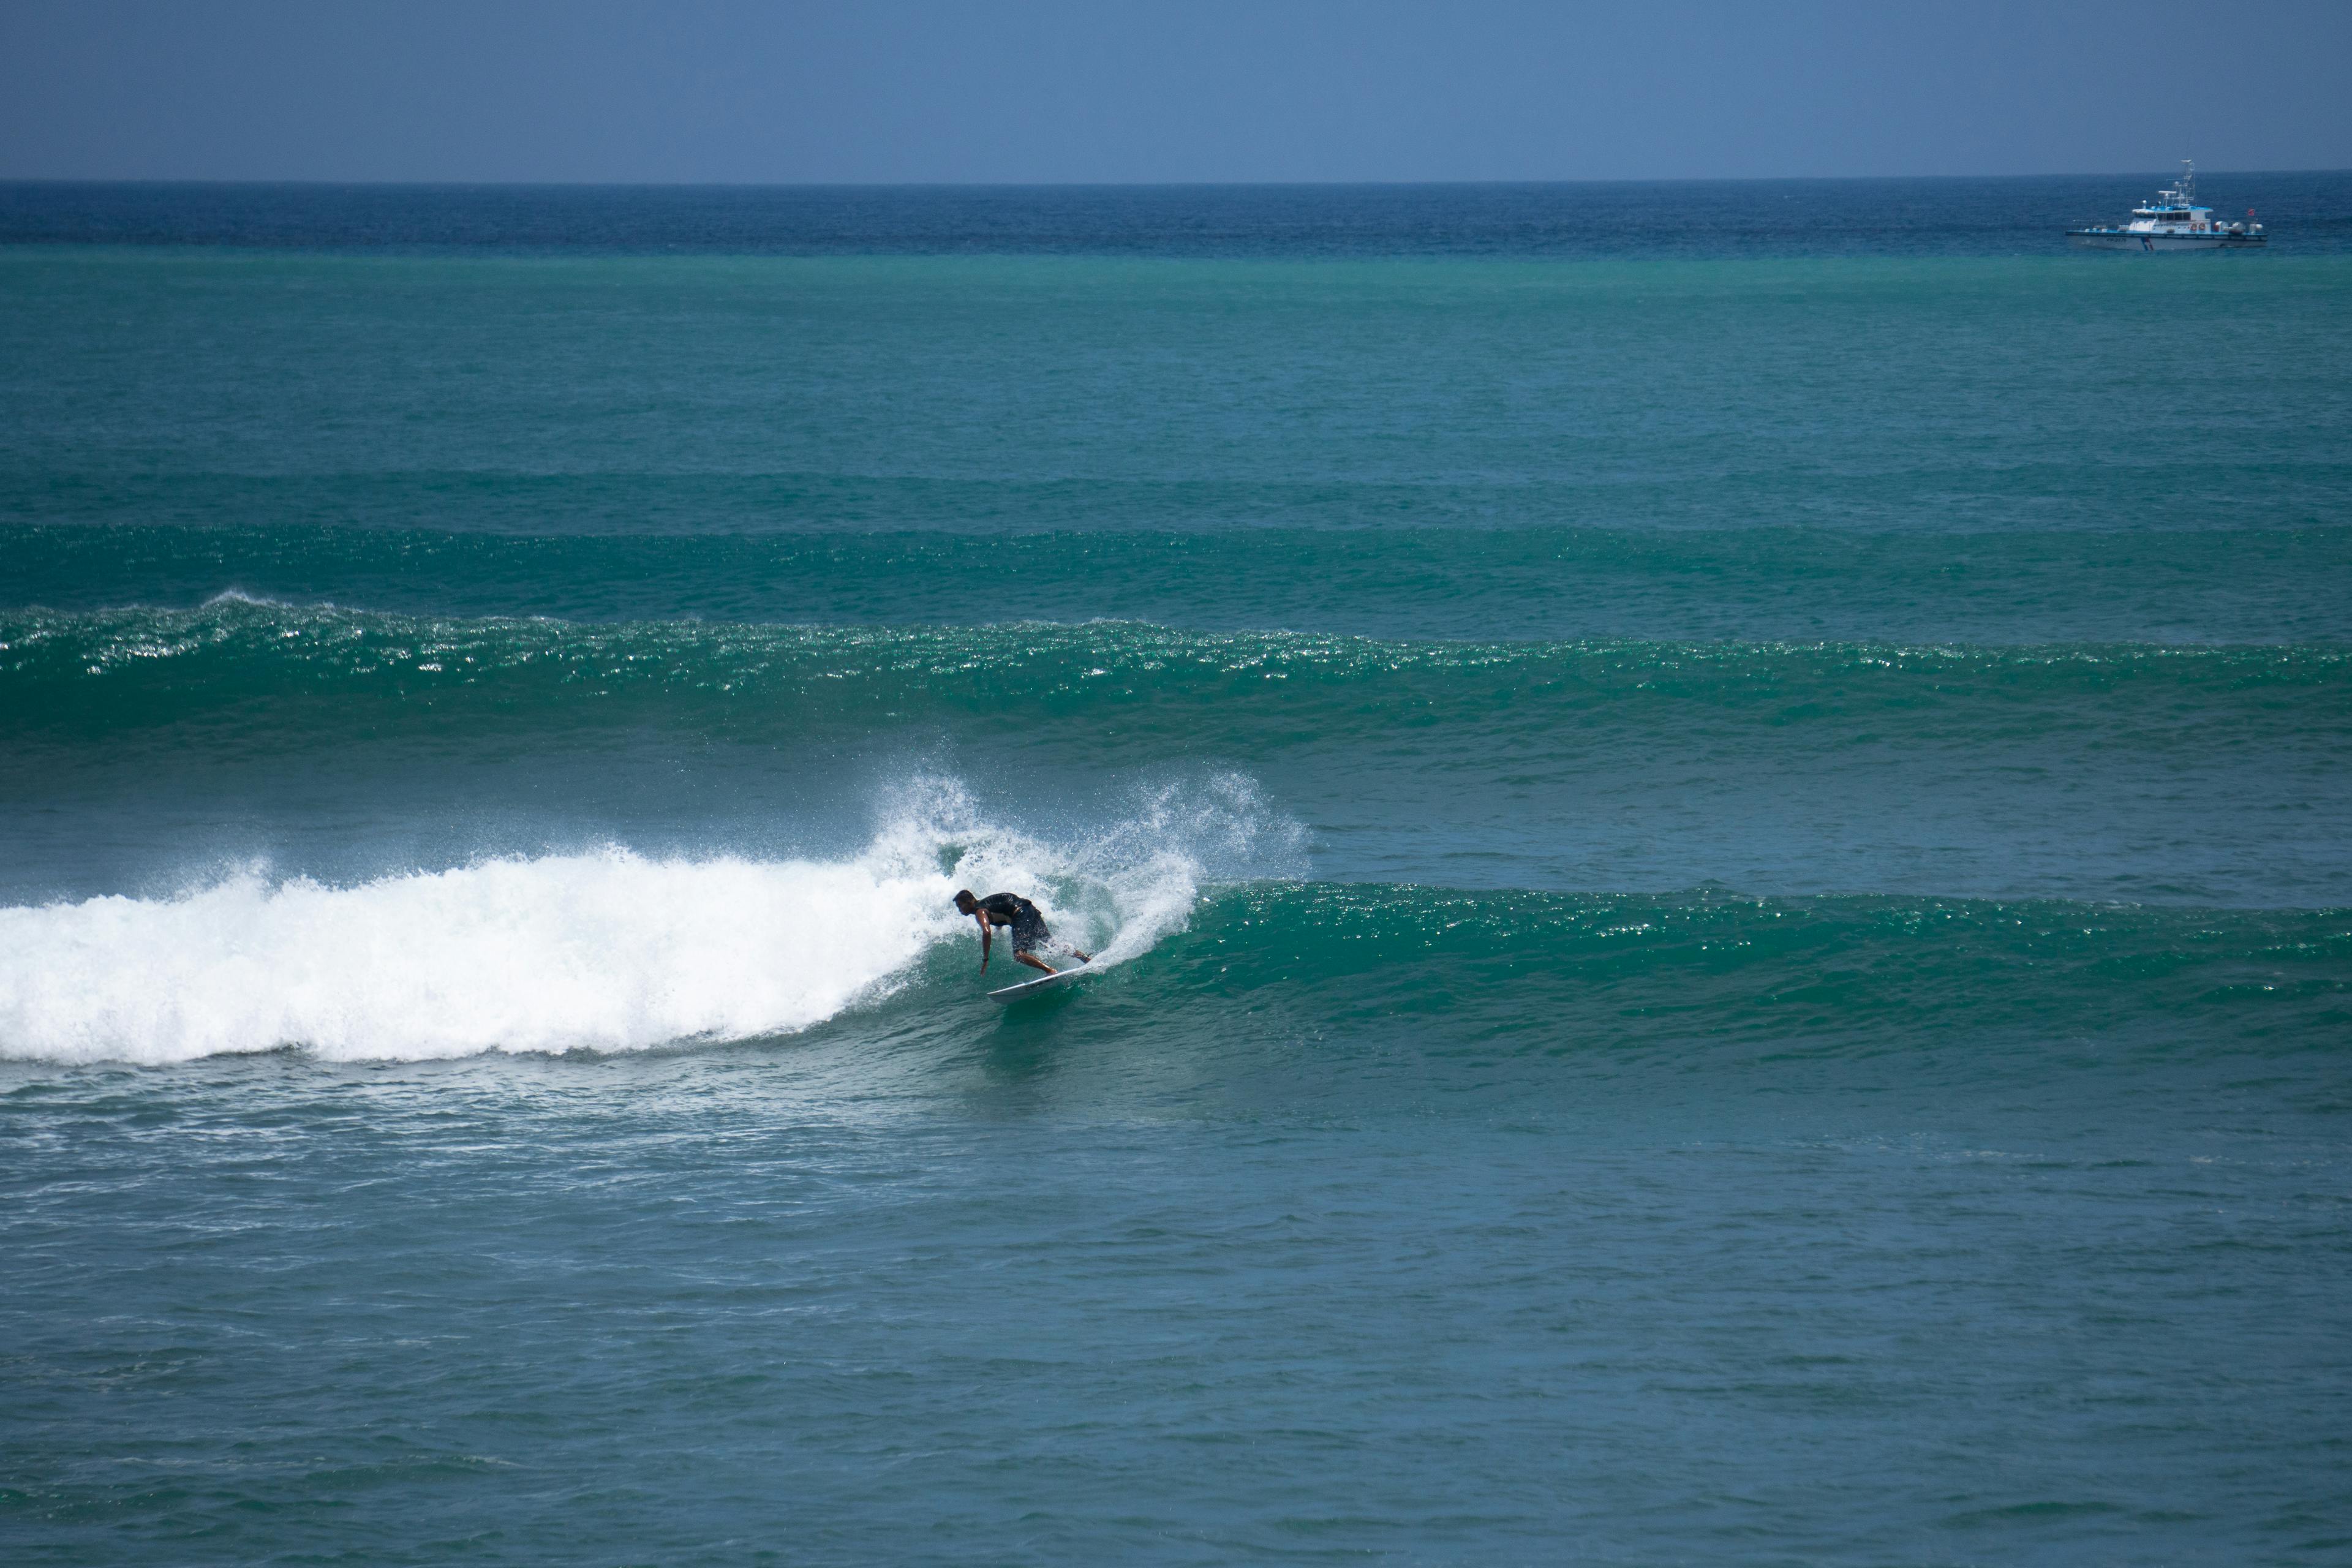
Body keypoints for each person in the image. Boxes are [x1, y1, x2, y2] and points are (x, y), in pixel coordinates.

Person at [954, 889, 1090, 976]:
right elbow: (1002, 911)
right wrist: (1000, 929)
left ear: (970, 902)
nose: (960, 910)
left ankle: (1050, 971)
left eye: (961, 905)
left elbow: (986, 932)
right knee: (1052, 944)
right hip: (1030, 910)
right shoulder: (987, 904)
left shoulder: (980, 911)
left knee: (1019, 954)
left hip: (1020, 914)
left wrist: (986, 959)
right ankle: (1086, 959)